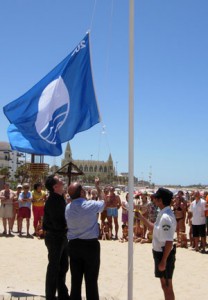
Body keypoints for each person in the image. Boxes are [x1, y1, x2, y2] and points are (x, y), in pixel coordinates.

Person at [65, 182, 105, 300]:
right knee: (91, 281)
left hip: (74, 245)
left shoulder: (68, 208)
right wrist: (98, 187)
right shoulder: (90, 205)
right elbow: (103, 202)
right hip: (90, 245)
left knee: (75, 280)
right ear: (82, 192)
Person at [137, 187, 176, 300]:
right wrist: (141, 217)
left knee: (167, 286)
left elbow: (169, 241)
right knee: (164, 285)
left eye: (156, 198)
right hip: (161, 252)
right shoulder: (163, 213)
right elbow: (154, 228)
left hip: (164, 253)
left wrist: (163, 261)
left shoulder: (166, 217)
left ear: (160, 200)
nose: (154, 200)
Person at [43, 175, 69, 300]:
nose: (62, 180)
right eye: (59, 180)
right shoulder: (53, 200)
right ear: (55, 186)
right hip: (54, 237)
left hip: (61, 236)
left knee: (63, 266)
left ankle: (63, 295)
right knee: (54, 268)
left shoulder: (59, 198)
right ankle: (50, 296)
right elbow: (57, 222)